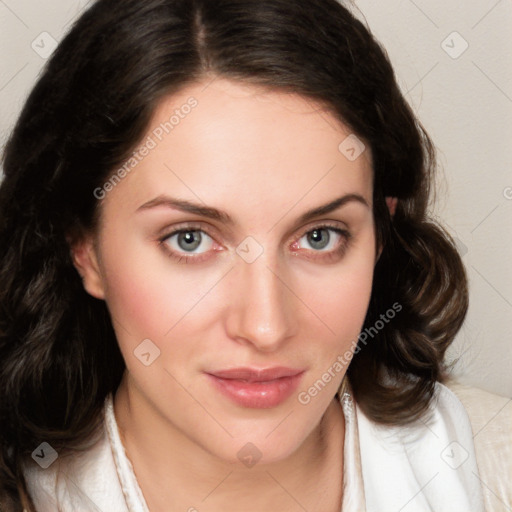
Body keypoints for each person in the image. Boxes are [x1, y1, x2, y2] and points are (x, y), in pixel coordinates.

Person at [0, 0, 510, 511]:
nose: (266, 327)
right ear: (84, 249)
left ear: (380, 233)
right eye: (190, 239)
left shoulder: (494, 465)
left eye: (319, 237)